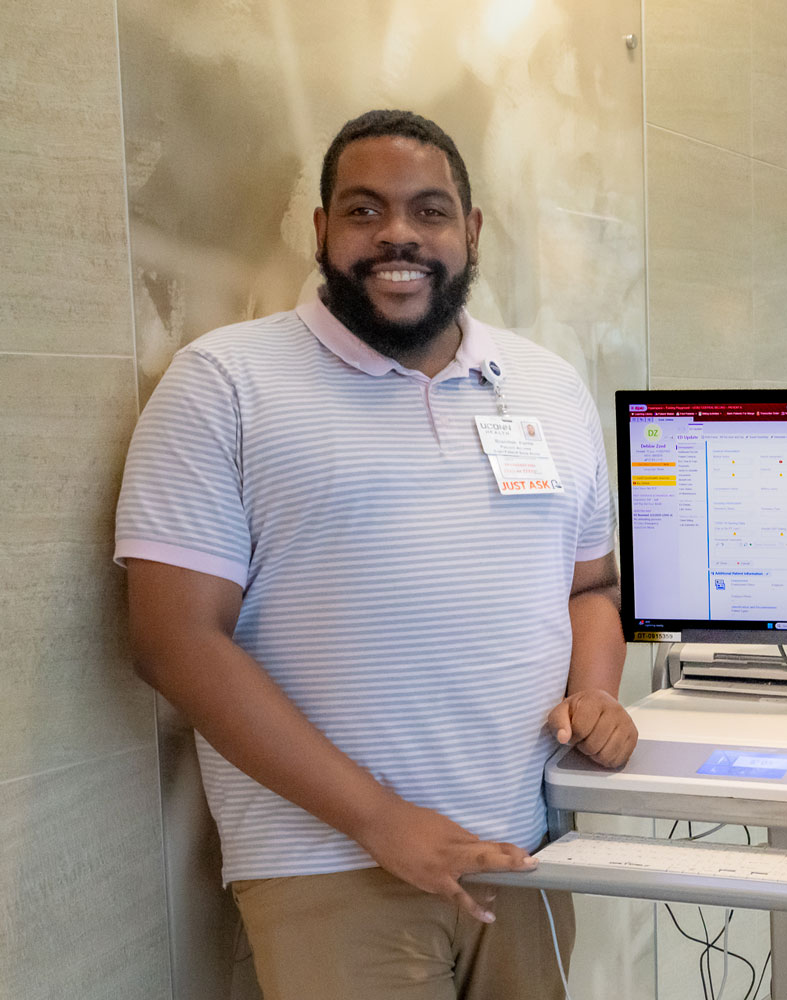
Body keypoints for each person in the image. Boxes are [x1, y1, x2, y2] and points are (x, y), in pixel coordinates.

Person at [115, 109, 637, 1000]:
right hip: (328, 863)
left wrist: (595, 693)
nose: (399, 233)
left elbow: (590, 585)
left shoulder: (547, 384)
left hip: (525, 851)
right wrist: (383, 821)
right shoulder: (225, 384)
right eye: (364, 211)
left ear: (470, 234)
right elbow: (174, 640)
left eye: (429, 211)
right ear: (320, 231)